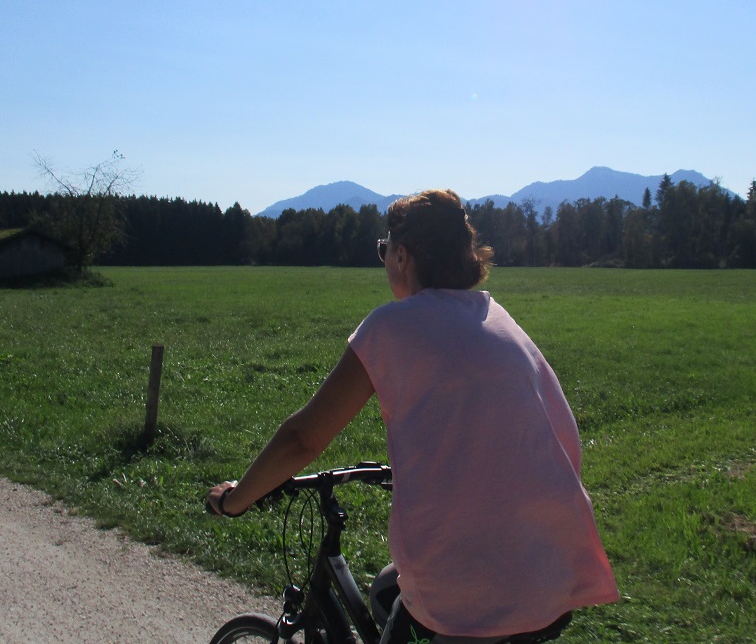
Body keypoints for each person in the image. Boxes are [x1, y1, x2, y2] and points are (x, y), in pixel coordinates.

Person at [207, 188, 619, 644]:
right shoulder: (498, 318)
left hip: (472, 598)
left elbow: (302, 438)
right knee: (388, 590)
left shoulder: (391, 327)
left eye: (384, 249)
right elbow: (551, 436)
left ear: (402, 255)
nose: (385, 259)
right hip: (550, 571)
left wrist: (235, 500)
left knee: (416, 596)